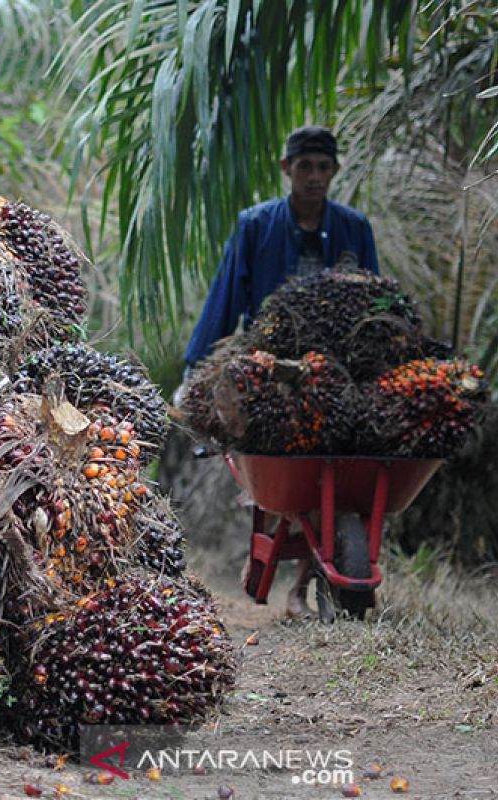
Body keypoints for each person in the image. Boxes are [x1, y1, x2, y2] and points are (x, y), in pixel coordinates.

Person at [183, 125, 380, 619]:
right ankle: (297, 579)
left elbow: (378, 307)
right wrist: (195, 373)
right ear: (286, 168)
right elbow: (226, 297)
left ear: (335, 171)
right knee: (293, 470)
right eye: (305, 166)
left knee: (339, 458)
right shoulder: (256, 226)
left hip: (338, 371)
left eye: (324, 167)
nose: (315, 176)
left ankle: (303, 583)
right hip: (271, 366)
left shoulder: (355, 229)